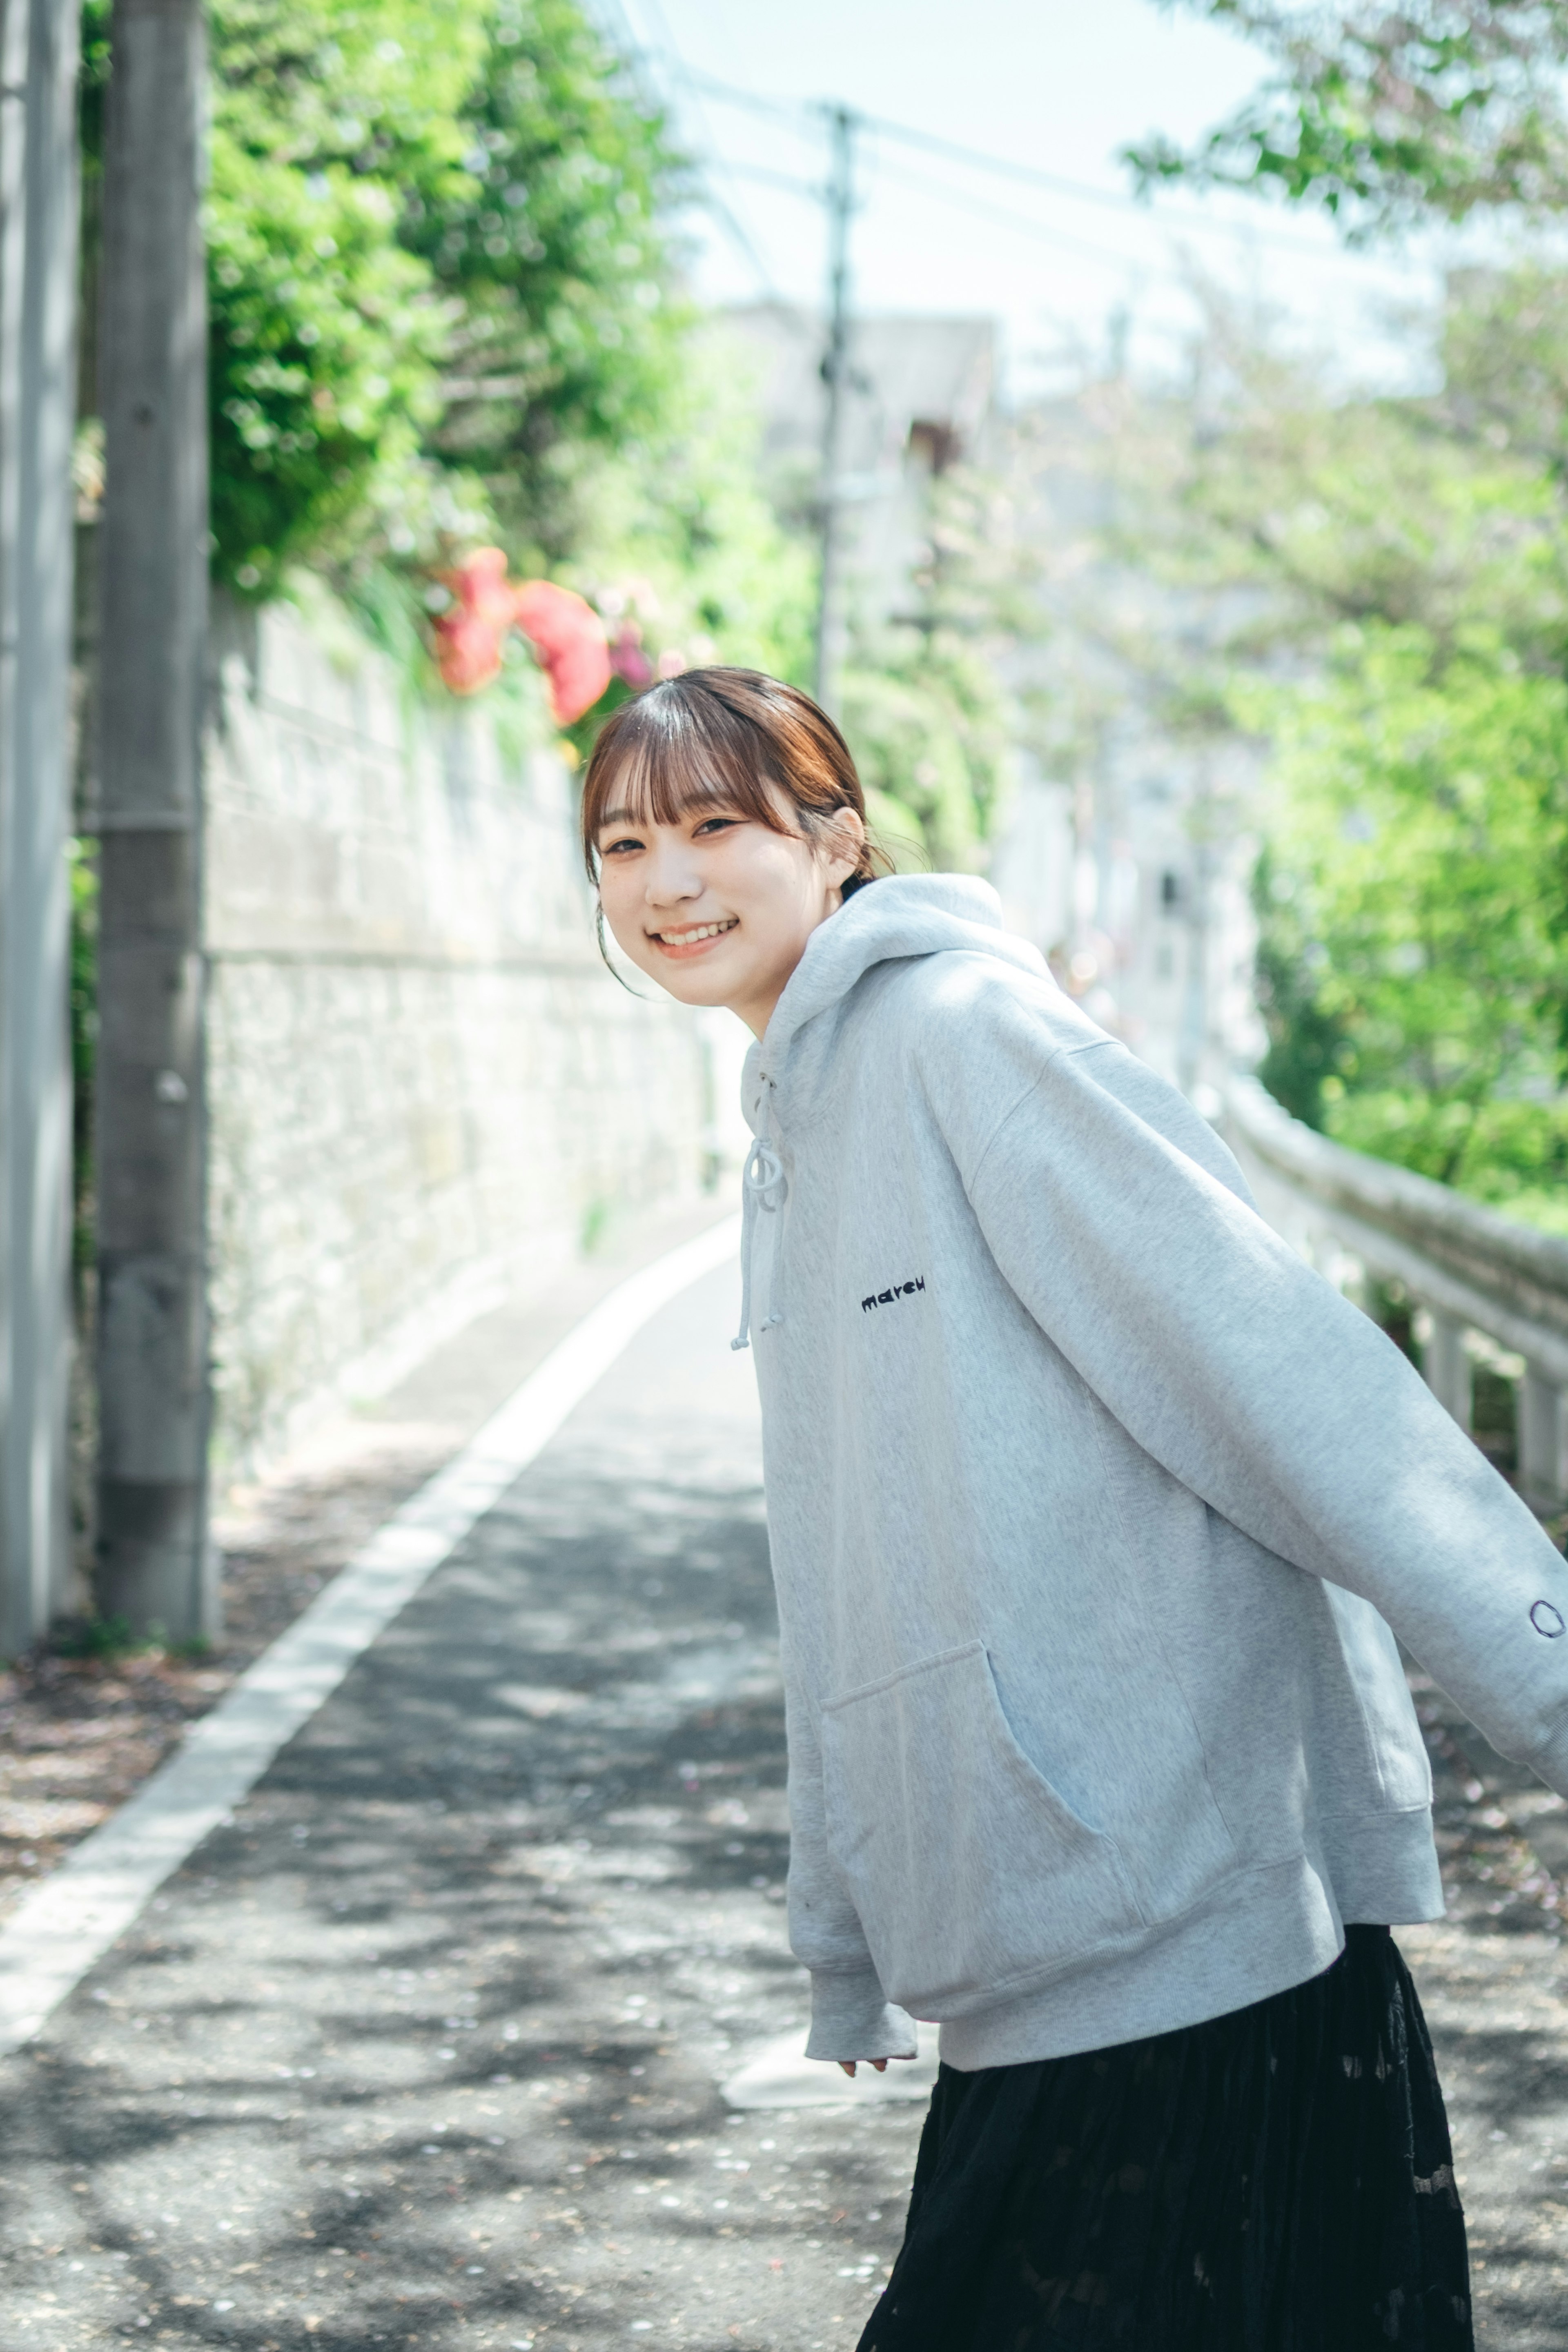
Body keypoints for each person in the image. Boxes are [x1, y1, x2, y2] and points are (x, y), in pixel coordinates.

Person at [583, 665, 1568, 2350]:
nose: (665, 879)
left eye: (716, 825)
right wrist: (843, 1943)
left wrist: (1548, 1686)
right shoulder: (799, 1126)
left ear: (837, 843)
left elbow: (1285, 1373)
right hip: (1050, 1951)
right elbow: (845, 1581)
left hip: (1188, 1928)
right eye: (620, 842)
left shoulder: (968, 1039)